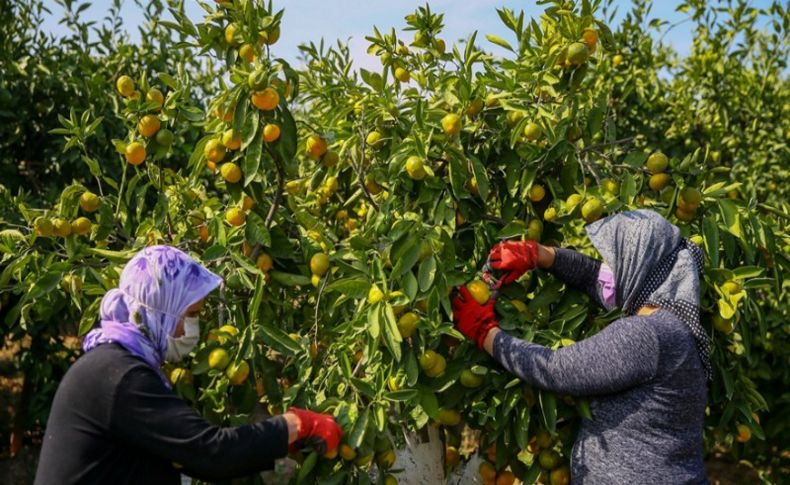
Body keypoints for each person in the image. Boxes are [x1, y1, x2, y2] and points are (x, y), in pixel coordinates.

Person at [35, 245, 341, 485]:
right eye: (189, 314)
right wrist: (297, 424)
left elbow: (186, 454)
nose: (190, 327)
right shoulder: (120, 378)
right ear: (160, 310)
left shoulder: (114, 364)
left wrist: (274, 443)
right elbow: (211, 452)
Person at [452, 209, 710, 484]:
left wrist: (485, 333)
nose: (612, 269)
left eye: (619, 261)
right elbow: (595, 277)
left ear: (637, 266)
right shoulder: (670, 318)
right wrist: (541, 255)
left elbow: (556, 370)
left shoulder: (646, 334)